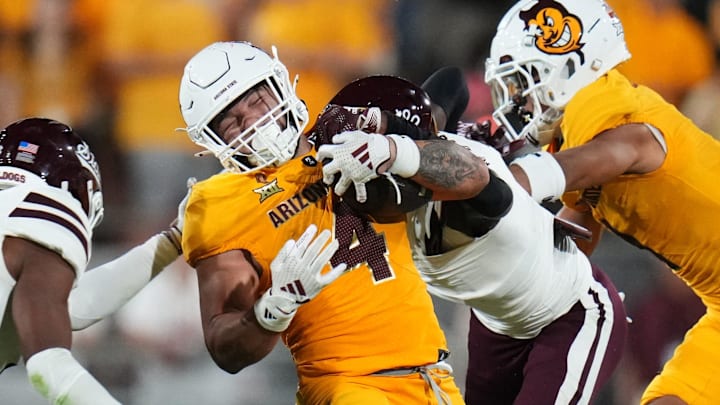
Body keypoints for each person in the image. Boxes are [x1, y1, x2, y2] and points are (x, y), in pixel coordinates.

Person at [176, 41, 484, 404]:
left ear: (280, 85)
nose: (252, 122)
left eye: (256, 99)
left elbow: (473, 176)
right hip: (345, 387)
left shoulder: (350, 130)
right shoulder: (218, 204)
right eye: (230, 120)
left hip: (431, 377)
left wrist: (393, 149)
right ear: (209, 139)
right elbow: (223, 347)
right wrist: (274, 306)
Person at [313, 70, 628, 404]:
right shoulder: (424, 142)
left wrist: (392, 146)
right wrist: (380, 125)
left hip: (568, 314)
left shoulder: (461, 198)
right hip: (495, 325)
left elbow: (480, 182)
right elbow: (450, 83)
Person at [482, 0, 720, 403]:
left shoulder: (595, 99)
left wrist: (514, 180)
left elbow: (630, 147)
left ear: (565, 66)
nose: (517, 103)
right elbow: (569, 246)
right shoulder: (575, 142)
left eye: (523, 83)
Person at [0, 117, 186, 404]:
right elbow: (49, 367)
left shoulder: (12, 234)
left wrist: (171, 242)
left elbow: (68, 305)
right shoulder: (39, 224)